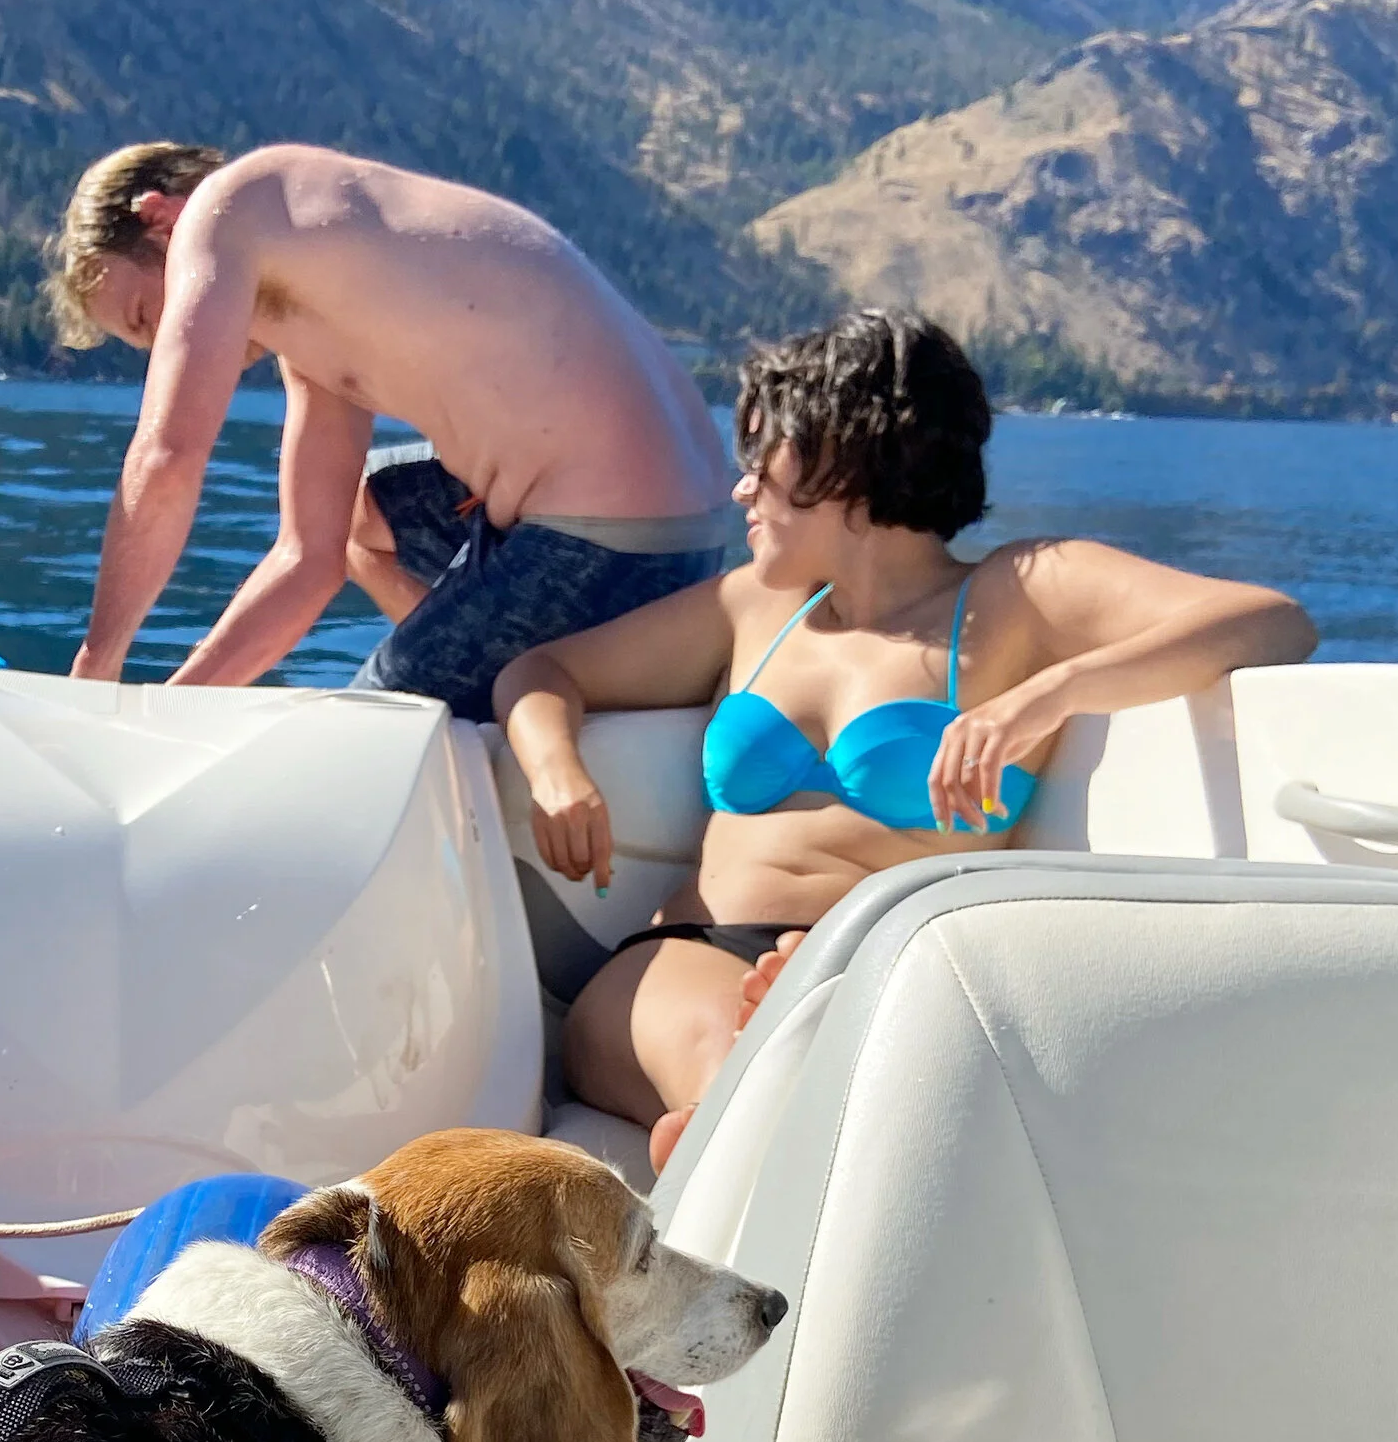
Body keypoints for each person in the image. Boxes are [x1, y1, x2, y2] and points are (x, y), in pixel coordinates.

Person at [495, 310, 1319, 1169]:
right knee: (730, 1056)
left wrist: (1044, 695)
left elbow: (1269, 622)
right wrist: (558, 773)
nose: (741, 491)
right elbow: (543, 672)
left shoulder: (1017, 598)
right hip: (695, 953)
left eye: (760, 463)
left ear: (841, 461)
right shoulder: (757, 607)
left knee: (794, 1064)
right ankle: (756, 1090)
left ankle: (750, 1111)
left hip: (890, 961)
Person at [51, 142, 732, 715]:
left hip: (612, 540)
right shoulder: (309, 282)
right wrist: (172, 710)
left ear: (158, 218)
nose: (167, 340)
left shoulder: (232, 206)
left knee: (366, 731)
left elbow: (168, 457)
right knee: (362, 513)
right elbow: (306, 560)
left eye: (147, 316)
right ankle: (477, 671)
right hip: (690, 527)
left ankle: (460, 685)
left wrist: (97, 668)